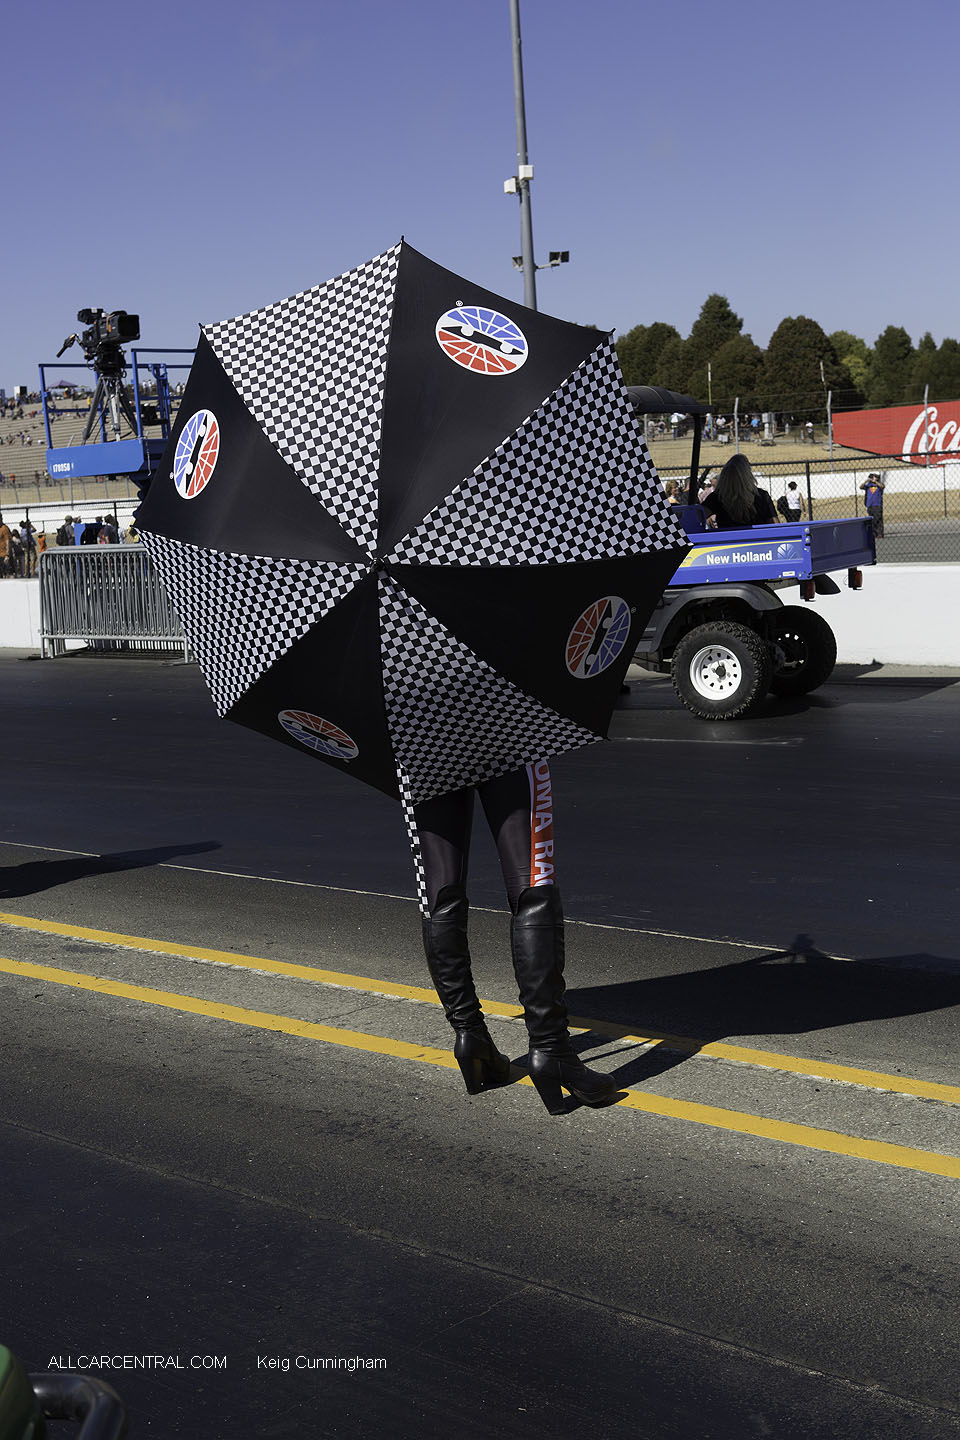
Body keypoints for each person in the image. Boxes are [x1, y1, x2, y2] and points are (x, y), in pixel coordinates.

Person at [414, 762, 618, 1115]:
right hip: (508, 736)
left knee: (439, 892)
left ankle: (470, 1035)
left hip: (418, 743)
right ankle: (551, 1048)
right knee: (534, 886)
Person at [702, 453, 778, 529]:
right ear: (748, 475)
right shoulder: (762, 496)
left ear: (725, 476)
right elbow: (775, 525)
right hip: (759, 536)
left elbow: (699, 516)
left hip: (728, 536)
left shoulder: (717, 497)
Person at [860, 472, 885, 538]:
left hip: (877, 504)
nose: (874, 478)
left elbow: (882, 486)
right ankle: (874, 533)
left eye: (875, 477)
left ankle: (879, 533)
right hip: (870, 504)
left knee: (878, 519)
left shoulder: (879, 484)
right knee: (872, 519)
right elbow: (861, 487)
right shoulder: (868, 485)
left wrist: (875, 482)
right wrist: (866, 481)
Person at [0, 513, 10, 577]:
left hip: (3, 555)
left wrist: (7, 555)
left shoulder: (4, 528)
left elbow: (8, 542)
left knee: (4, 574)